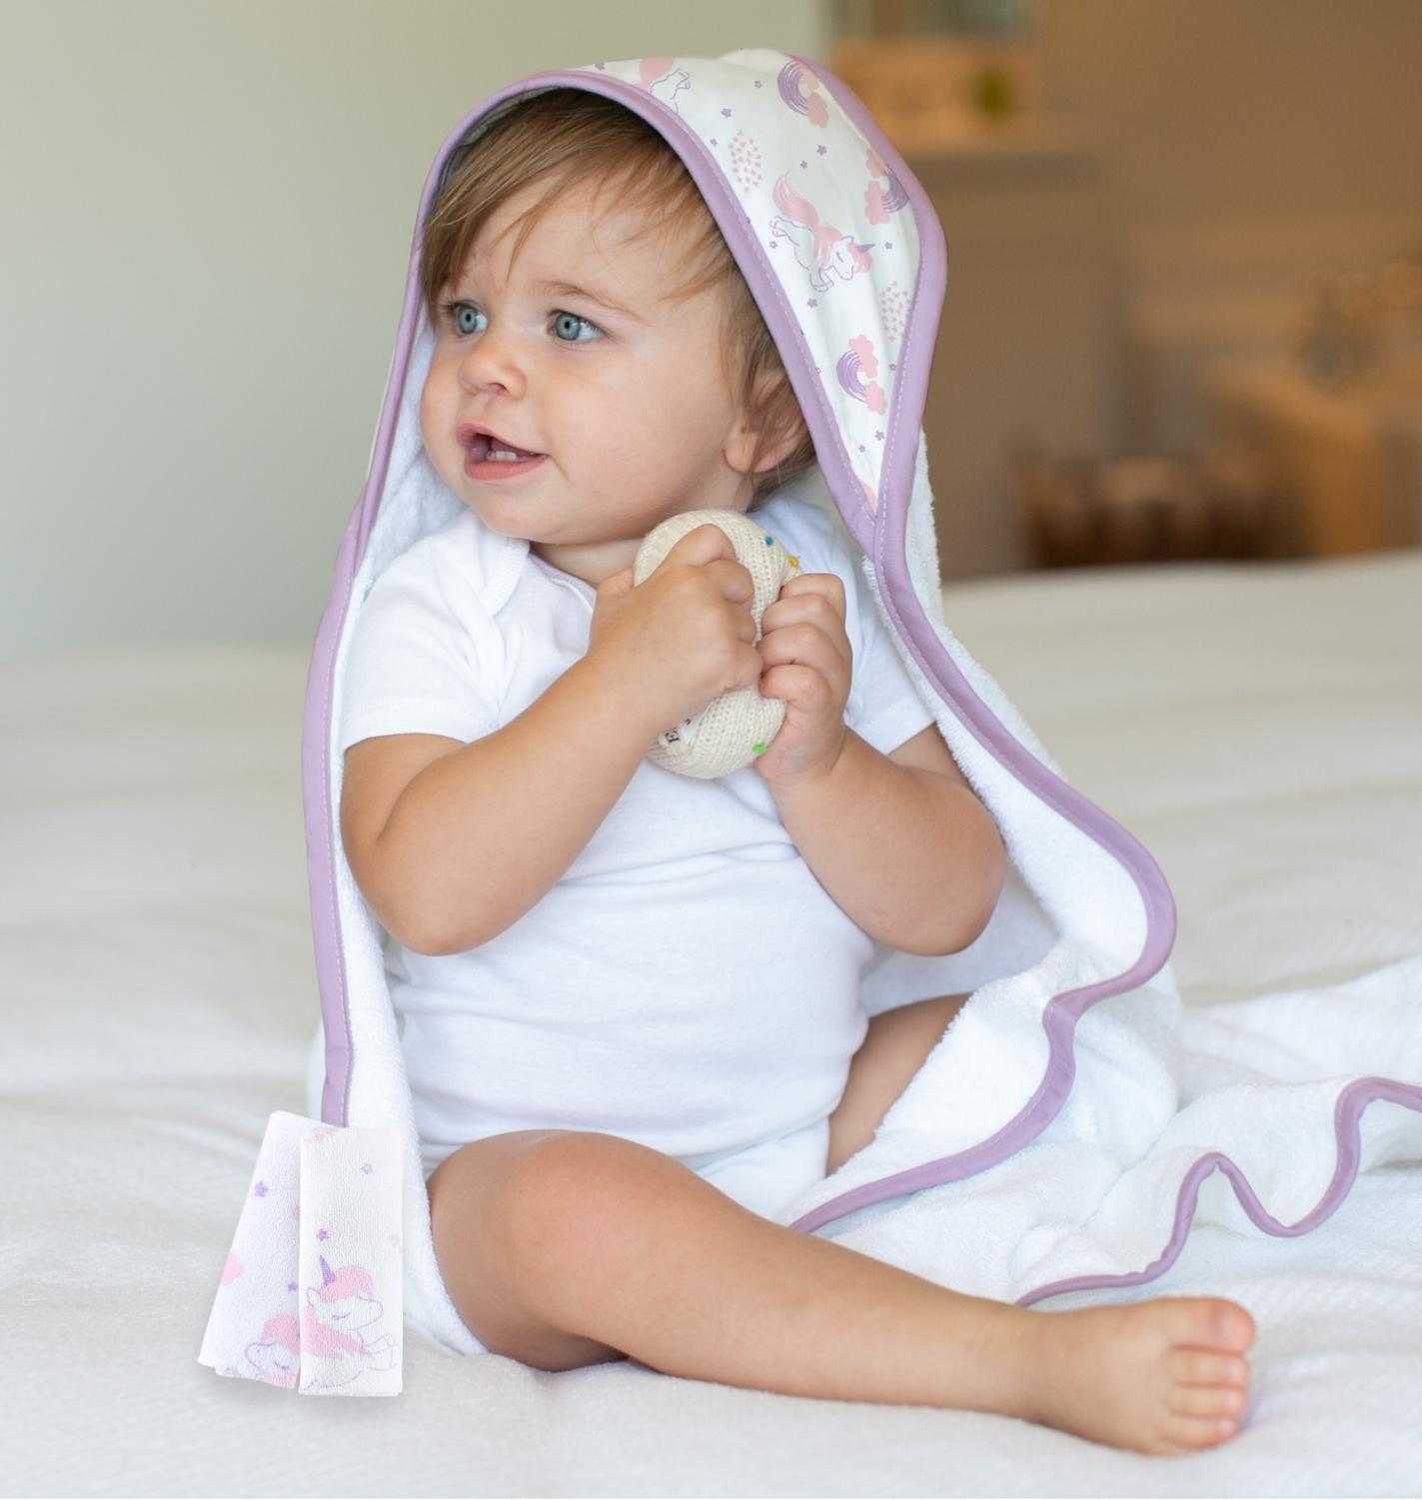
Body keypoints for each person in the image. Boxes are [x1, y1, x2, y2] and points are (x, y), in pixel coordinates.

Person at [337, 86, 1254, 1455]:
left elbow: (948, 901)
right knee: (570, 1213)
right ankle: (1011, 1362)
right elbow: (423, 891)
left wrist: (818, 759)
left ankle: (798, 1258)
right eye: (465, 316)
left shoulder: (816, 604)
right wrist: (618, 683)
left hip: (806, 1127)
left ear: (763, 418)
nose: (489, 367)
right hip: (512, 1169)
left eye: (569, 326)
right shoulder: (444, 606)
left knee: (1029, 1029)